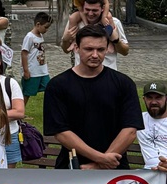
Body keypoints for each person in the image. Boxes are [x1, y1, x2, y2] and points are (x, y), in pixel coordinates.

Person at [43, 25, 141, 170]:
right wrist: (100, 159)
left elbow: (130, 130)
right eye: (89, 49)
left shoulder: (124, 83)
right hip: (73, 169)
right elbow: (61, 132)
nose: (95, 55)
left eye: (100, 49)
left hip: (115, 169)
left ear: (107, 49)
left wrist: (98, 166)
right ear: (76, 48)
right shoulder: (57, 85)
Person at [61, 0, 127, 70]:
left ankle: (108, 41)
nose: (90, 14)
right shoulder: (76, 22)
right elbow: (66, 50)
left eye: (95, 10)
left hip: (108, 72)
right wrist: (65, 40)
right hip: (82, 73)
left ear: (102, 8)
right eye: (87, 9)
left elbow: (125, 52)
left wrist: (116, 41)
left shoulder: (115, 23)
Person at [21, 12, 52, 101]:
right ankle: (20, 109)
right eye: (46, 27)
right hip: (32, 71)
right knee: (27, 93)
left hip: (43, 70)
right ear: (38, 24)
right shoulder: (29, 37)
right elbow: (24, 53)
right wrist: (26, 70)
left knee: (50, 88)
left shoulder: (40, 35)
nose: (47, 30)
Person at [138, 81, 167, 172]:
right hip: (148, 174)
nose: (154, 102)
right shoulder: (138, 119)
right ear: (144, 99)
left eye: (158, 98)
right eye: (149, 98)